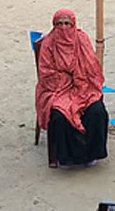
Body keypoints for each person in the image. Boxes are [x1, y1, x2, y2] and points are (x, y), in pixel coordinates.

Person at [35, 9, 109, 168]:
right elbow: (46, 74)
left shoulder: (81, 39)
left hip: (84, 87)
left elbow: (92, 68)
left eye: (67, 23)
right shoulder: (49, 43)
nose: (63, 28)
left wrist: (79, 79)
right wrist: (69, 79)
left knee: (96, 110)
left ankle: (91, 154)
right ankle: (66, 157)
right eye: (59, 24)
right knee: (60, 114)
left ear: (73, 24)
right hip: (58, 89)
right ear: (54, 25)